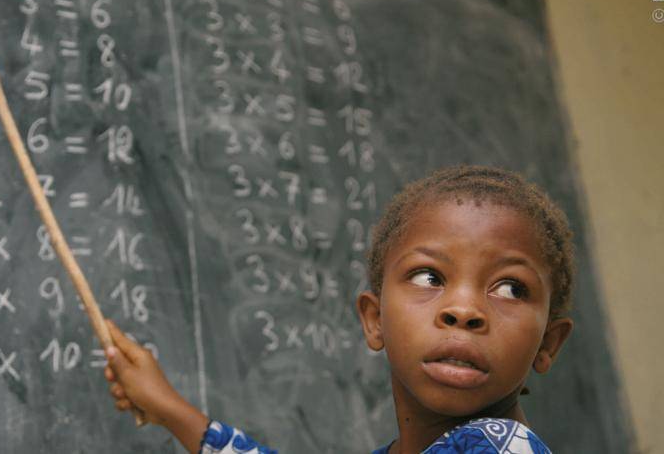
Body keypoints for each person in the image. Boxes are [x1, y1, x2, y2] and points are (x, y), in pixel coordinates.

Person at [103, 165, 575, 453]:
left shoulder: (501, 447)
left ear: (548, 343)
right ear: (374, 319)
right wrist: (171, 410)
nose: (464, 309)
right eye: (429, 277)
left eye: (510, 288)